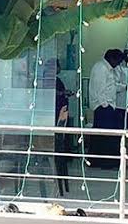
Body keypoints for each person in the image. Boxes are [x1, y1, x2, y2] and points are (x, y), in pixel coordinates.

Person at [87, 49, 123, 169]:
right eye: (118, 61)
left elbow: (112, 86)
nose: (118, 64)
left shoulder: (108, 69)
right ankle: (104, 162)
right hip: (102, 107)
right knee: (105, 137)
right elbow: (99, 90)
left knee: (103, 136)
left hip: (107, 106)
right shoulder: (101, 69)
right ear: (112, 59)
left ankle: (103, 161)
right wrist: (105, 105)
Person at [53, 59, 72, 195]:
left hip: (59, 117)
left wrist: (64, 93)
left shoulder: (57, 80)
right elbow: (52, 94)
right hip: (52, 117)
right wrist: (62, 94)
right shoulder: (47, 81)